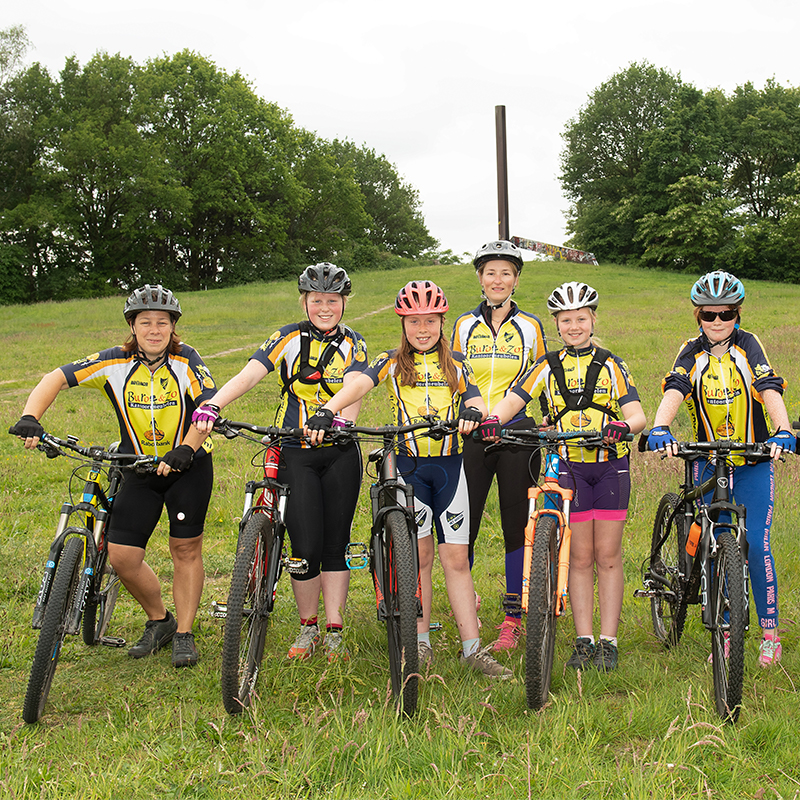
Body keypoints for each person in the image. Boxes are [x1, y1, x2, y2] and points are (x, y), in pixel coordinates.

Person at [306, 280, 512, 679]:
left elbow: (474, 397)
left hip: (450, 468)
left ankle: (473, 649)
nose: (423, 329)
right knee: (419, 558)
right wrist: (329, 410)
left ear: (442, 322)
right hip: (409, 469)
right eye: (414, 321)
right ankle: (420, 642)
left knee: (456, 560)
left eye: (430, 321)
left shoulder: (456, 362)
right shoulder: (390, 361)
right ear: (402, 323)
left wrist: (474, 412)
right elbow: (359, 384)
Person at [11, 285, 216, 668]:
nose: (154, 330)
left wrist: (187, 448)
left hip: (187, 466)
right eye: (145, 322)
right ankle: (161, 620)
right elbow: (56, 377)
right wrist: (30, 417)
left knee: (185, 549)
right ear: (132, 326)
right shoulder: (114, 361)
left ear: (173, 327)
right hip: (136, 467)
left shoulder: (186, 360)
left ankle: (185, 633)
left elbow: (208, 406)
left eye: (162, 323)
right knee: (122, 556)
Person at [193, 263, 367, 662]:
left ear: (344, 303)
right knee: (304, 545)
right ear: (305, 302)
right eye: (317, 300)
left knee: (335, 542)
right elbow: (250, 374)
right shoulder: (287, 337)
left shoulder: (355, 342)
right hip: (294, 449)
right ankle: (308, 627)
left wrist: (342, 421)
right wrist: (214, 404)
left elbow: (357, 384)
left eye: (333, 300)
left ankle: (334, 629)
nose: (325, 308)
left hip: (340, 451)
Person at [480, 281, 646, 671]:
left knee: (608, 556)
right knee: (580, 557)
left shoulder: (613, 364)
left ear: (593, 320)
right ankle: (584, 640)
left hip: (610, 467)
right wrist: (493, 420)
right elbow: (514, 399)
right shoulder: (545, 365)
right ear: (556, 324)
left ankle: (608, 642)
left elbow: (637, 415)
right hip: (569, 467)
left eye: (581, 319)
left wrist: (624, 426)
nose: (574, 326)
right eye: (566, 320)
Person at [647, 270, 794, 667]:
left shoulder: (748, 345)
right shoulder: (691, 351)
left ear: (737, 314)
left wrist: (782, 429)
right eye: (708, 314)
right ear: (698, 315)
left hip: (752, 461)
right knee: (716, 545)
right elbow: (676, 387)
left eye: (726, 313)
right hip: (708, 461)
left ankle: (770, 634)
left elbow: (768, 388)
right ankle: (726, 632)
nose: (717, 321)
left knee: (756, 545)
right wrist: (660, 426)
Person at [451, 240, 547, 651]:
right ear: (480, 278)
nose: (497, 279)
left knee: (515, 527)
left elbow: (542, 374)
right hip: (472, 434)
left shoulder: (530, 326)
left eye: (505, 273)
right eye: (490, 272)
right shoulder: (462, 325)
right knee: (464, 526)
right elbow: (455, 374)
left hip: (518, 435)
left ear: (516, 280)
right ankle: (467, 601)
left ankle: (513, 615)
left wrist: (551, 416)